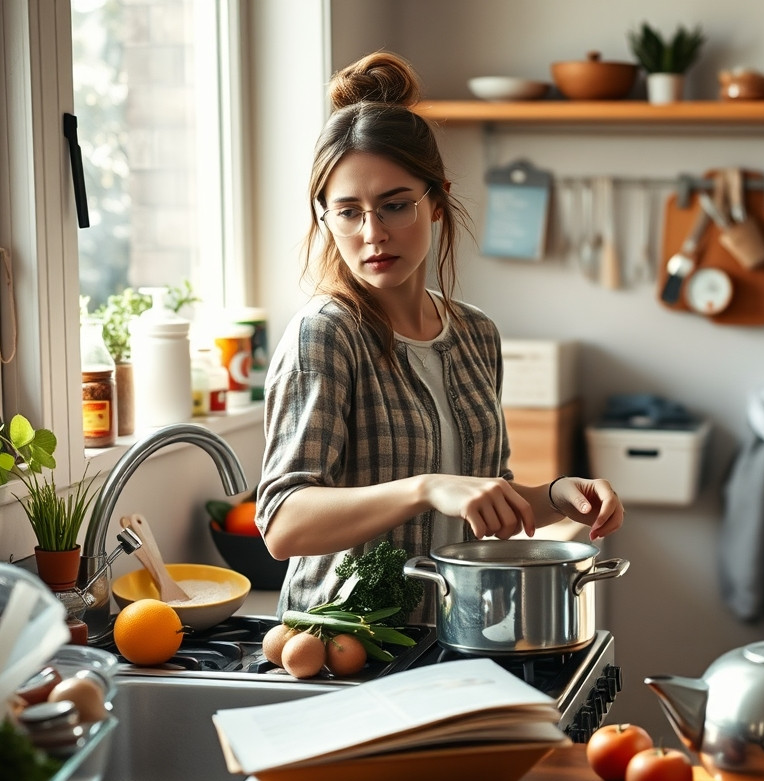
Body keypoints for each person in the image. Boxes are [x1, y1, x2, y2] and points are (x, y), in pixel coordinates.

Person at [256, 52, 624, 616]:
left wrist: (554, 496)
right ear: (324, 217)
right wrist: (425, 486)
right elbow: (281, 524)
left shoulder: (476, 334)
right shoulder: (325, 336)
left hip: (456, 635)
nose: (373, 233)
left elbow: (483, 498)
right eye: (348, 212)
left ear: (436, 200)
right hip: (348, 648)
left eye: (395, 205)